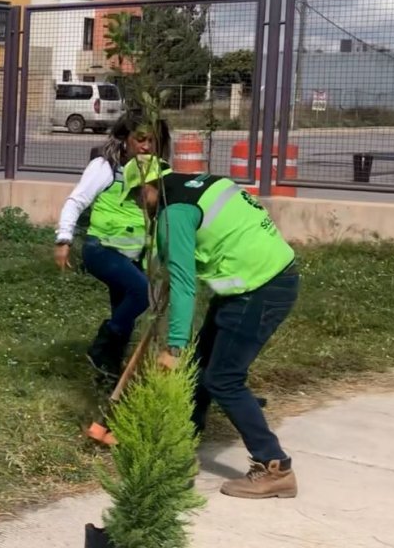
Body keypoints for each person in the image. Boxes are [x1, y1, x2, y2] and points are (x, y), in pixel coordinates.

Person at [124, 155, 300, 499]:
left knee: (223, 378)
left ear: (146, 188)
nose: (137, 206)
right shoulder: (201, 183)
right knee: (203, 365)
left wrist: (174, 346)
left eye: (134, 197)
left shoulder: (173, 214)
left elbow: (186, 285)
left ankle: (274, 466)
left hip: (259, 289)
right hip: (260, 279)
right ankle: (181, 450)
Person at [53, 112, 168, 386]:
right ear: (125, 139)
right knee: (141, 293)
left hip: (131, 256)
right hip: (101, 249)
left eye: (153, 141)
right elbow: (76, 201)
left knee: (125, 313)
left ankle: (107, 376)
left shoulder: (155, 170)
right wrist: (64, 239)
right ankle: (102, 346)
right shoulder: (106, 166)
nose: (146, 146)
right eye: (140, 139)